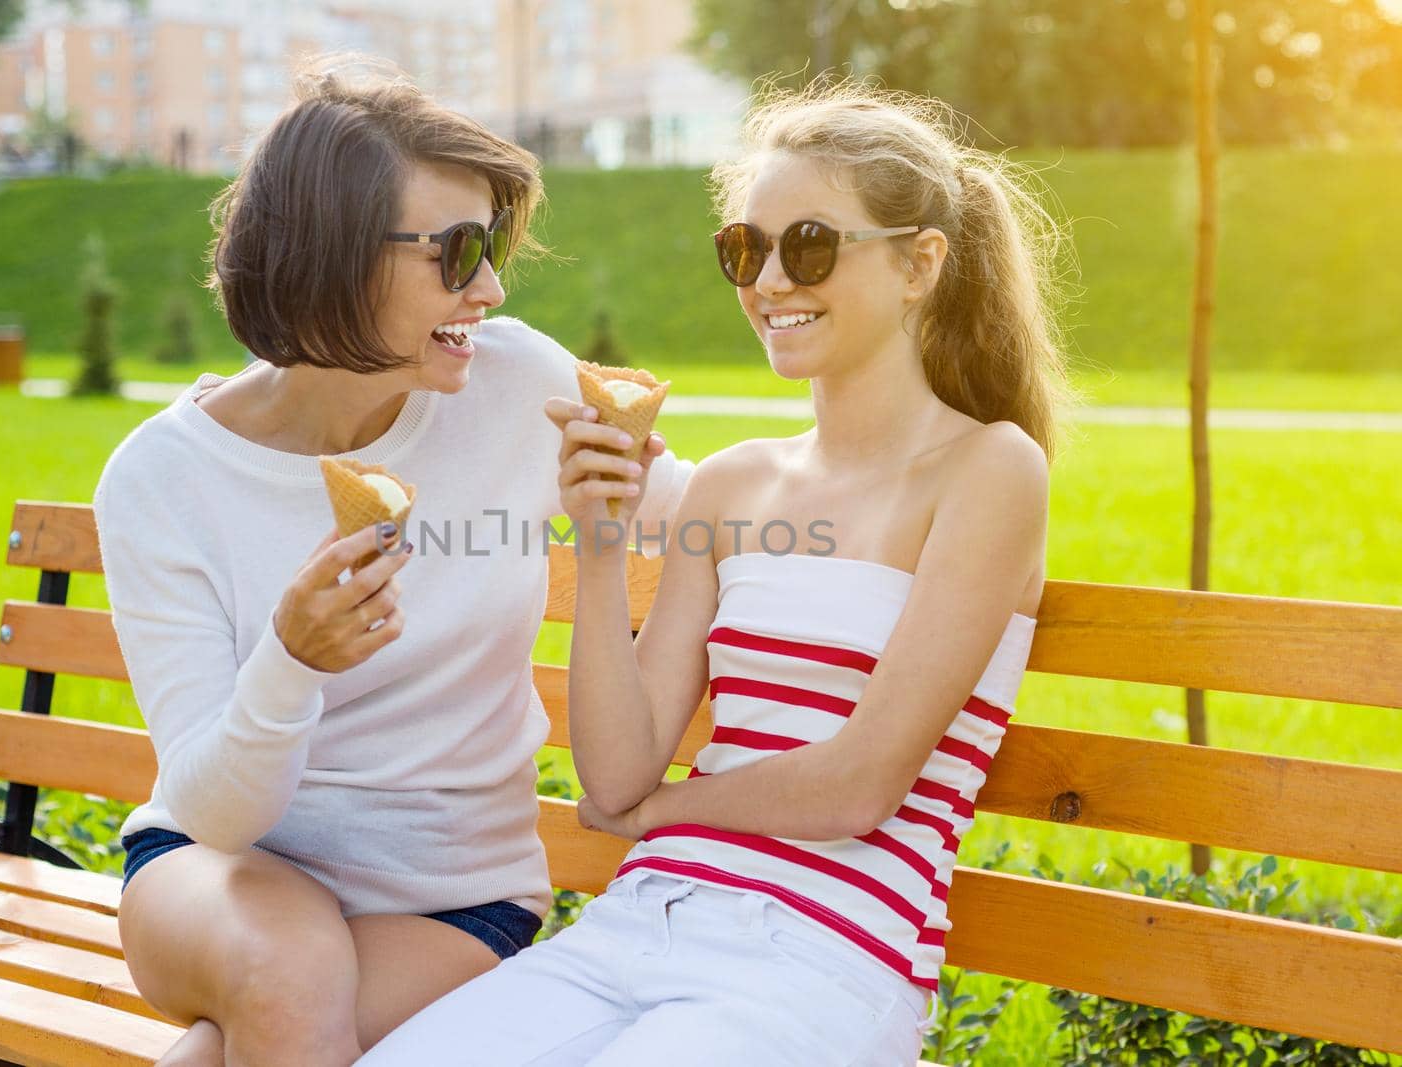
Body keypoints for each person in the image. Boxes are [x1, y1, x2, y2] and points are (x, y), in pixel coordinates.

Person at [358, 81, 1073, 1067]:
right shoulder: (734, 483)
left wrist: (656, 814)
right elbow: (613, 769)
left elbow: (860, 785)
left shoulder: (990, 470)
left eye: (810, 243)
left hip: (821, 956)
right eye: (746, 248)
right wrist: (603, 547)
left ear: (918, 265)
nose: (770, 279)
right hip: (632, 926)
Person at [93, 59, 691, 1066]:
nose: (491, 289)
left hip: (455, 896)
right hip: (216, 873)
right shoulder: (162, 478)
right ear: (329, 255)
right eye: (456, 253)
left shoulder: (518, 385)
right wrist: (290, 661)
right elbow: (215, 809)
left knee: (243, 1036)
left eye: (491, 246)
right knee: (288, 970)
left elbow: (702, 519)